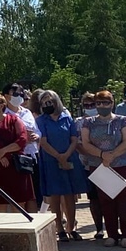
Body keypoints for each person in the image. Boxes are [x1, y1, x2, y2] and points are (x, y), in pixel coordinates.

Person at [80, 90, 126, 247]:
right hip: (99, 166)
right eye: (99, 103)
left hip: (121, 165)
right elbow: (85, 143)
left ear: (112, 103)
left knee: (124, 201)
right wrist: (102, 155)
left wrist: (112, 155)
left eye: (106, 102)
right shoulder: (88, 122)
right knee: (106, 201)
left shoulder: (122, 120)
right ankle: (112, 235)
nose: (102, 106)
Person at [34, 89, 86, 241]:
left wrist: (66, 155)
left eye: (50, 101)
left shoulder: (67, 118)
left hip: (69, 158)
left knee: (70, 194)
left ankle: (71, 227)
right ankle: (59, 228)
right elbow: (43, 142)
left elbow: (74, 139)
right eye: (44, 102)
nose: (47, 104)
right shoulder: (41, 120)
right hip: (50, 160)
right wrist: (58, 156)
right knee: (55, 195)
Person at [76, 92, 107, 239]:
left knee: (110, 196)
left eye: (92, 104)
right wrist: (93, 155)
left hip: (108, 163)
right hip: (89, 165)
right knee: (94, 198)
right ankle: (99, 228)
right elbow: (78, 143)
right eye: (86, 105)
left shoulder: (109, 119)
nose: (89, 107)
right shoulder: (78, 122)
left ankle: (112, 227)